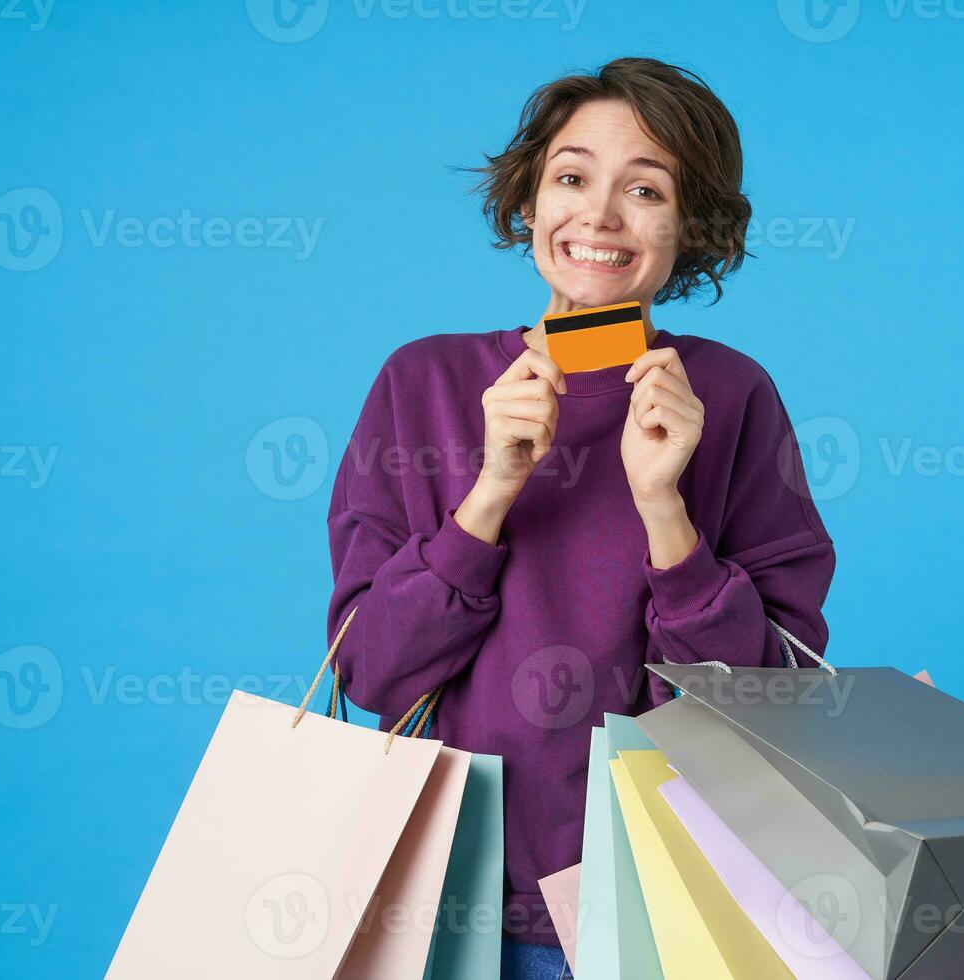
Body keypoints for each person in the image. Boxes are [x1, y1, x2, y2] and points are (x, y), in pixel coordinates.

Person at [326, 56, 835, 980]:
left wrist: (663, 510)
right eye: (571, 177)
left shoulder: (732, 395)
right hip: (449, 904)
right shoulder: (424, 382)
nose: (599, 216)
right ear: (528, 202)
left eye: (645, 189)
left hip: (672, 902)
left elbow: (773, 703)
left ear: (692, 226)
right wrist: (486, 497)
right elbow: (372, 672)